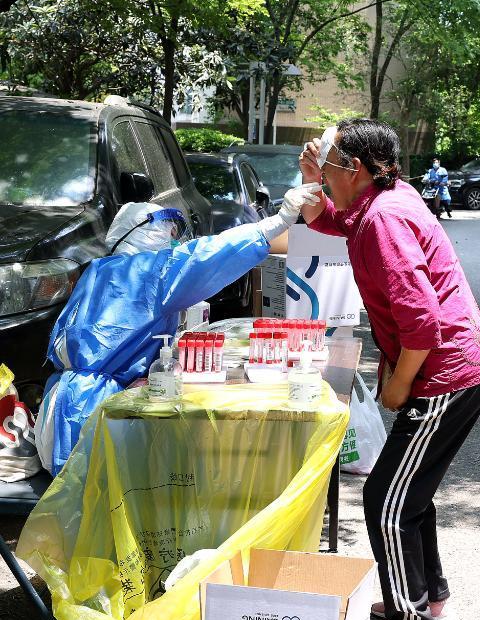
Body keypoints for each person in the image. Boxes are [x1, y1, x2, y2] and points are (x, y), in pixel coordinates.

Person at [298, 119, 480, 620]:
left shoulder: (383, 218)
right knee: (409, 491)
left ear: (354, 168)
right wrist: (313, 182)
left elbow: (422, 320)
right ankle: (428, 600)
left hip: (447, 374)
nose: (325, 175)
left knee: (386, 499)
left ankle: (410, 616)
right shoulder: (382, 199)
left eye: (328, 166)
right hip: (459, 366)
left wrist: (398, 384)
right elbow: (332, 221)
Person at [36, 186, 320, 476]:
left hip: (66, 402)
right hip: (96, 410)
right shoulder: (148, 273)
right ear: (145, 233)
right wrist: (276, 222)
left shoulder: (101, 269)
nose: (172, 242)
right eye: (167, 234)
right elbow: (206, 256)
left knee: (75, 492)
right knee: (100, 492)